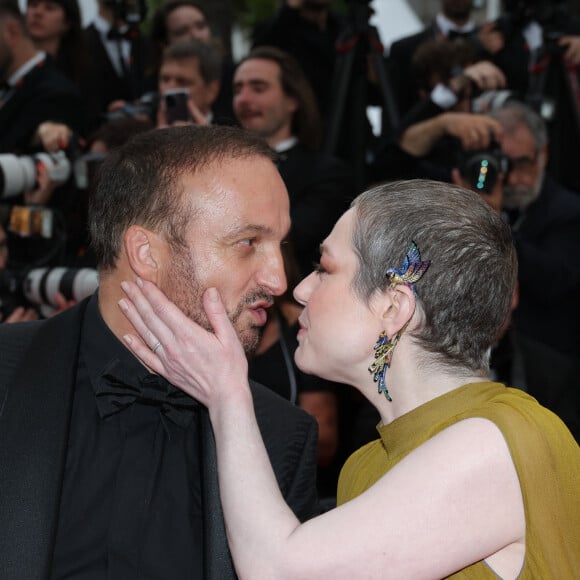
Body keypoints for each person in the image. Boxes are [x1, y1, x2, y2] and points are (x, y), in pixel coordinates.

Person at [120, 178, 579, 578]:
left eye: (325, 269)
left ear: (394, 307)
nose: (299, 290)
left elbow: (281, 571)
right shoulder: (366, 465)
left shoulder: (493, 441)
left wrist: (226, 394)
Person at [0, 125, 319, 579]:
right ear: (146, 253)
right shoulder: (7, 374)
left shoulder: (280, 437)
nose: (278, 279)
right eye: (248, 243)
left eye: (279, 245)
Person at [233, 46, 353, 277]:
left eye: (258, 88)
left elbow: (290, 241)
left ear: (292, 100)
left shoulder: (328, 174)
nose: (244, 99)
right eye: (238, 89)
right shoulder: (220, 166)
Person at [0, 0, 83, 152]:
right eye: (32, 5)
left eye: (50, 7)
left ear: (12, 32)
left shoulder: (56, 94)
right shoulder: (11, 82)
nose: (37, 13)